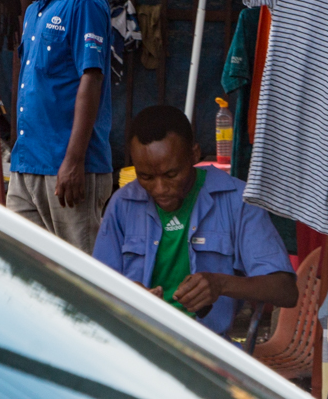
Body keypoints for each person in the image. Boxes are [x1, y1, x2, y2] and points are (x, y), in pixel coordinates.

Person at [94, 106, 297, 337]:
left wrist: (220, 284)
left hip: (206, 346)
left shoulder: (236, 201)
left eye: (171, 175)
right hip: (137, 341)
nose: (159, 189)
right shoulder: (123, 204)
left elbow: (285, 291)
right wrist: (126, 293)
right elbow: (92, 286)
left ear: (194, 154)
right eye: (146, 177)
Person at [9, 0, 113, 252]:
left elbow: (91, 79)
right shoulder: (35, 9)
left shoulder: (84, 1)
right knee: (21, 264)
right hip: (27, 164)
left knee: (78, 269)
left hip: (68, 167)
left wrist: (74, 160)